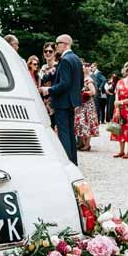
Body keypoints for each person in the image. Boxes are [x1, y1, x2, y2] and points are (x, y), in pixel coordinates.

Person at [39, 34, 83, 165]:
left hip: (62, 101)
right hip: (71, 101)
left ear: (65, 44)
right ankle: (73, 162)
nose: (56, 46)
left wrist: (49, 90)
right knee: (69, 133)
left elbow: (65, 83)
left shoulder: (65, 60)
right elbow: (80, 83)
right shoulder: (76, 59)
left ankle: (67, 163)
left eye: (57, 43)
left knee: (63, 133)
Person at [75, 62, 100, 151]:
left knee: (87, 123)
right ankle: (81, 142)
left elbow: (93, 92)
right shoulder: (80, 79)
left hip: (87, 105)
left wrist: (83, 94)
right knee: (80, 123)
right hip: (81, 104)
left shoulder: (88, 79)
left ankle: (87, 144)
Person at [40, 42, 57, 129]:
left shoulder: (57, 67)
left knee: (54, 126)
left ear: (54, 53)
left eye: (50, 51)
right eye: (45, 51)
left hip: (54, 100)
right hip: (43, 101)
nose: (47, 53)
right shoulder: (42, 68)